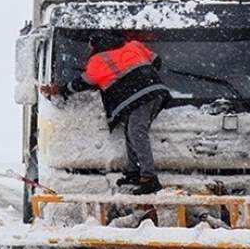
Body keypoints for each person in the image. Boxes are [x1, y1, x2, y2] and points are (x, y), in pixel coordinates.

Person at [41, 33, 170, 194]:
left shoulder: (98, 60)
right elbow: (156, 61)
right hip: (153, 91)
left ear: (95, 45)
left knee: (136, 131)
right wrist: (141, 74)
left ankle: (149, 178)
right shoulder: (133, 45)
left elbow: (82, 83)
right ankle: (134, 172)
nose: (88, 51)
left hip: (141, 96)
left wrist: (60, 89)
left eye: (89, 47)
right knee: (131, 130)